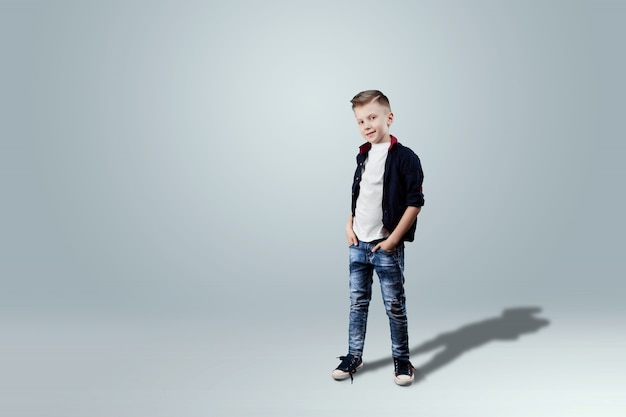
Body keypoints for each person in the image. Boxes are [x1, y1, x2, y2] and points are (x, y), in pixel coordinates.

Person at [332, 90, 425, 386]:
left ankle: (402, 360)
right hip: (358, 244)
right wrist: (349, 226)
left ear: (389, 118)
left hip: (385, 246)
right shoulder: (363, 155)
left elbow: (415, 202)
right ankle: (353, 355)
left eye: (372, 117)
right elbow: (359, 196)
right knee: (357, 303)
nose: (367, 125)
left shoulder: (406, 158)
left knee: (394, 305)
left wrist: (394, 240)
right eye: (361, 121)